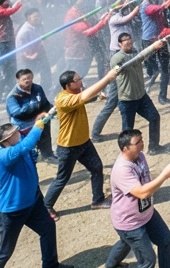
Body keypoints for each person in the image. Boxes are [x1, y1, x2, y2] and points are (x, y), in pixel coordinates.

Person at [0, 114, 71, 268]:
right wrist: (38, 126)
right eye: (15, 132)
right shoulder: (3, 154)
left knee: (47, 228)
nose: (19, 133)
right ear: (6, 140)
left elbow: (27, 145)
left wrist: (39, 121)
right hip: (11, 210)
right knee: (5, 249)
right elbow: (27, 145)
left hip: (33, 201)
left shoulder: (19, 144)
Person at [102, 128, 170, 268]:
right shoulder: (122, 169)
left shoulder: (139, 156)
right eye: (137, 143)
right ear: (125, 148)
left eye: (142, 140)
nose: (142, 145)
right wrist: (164, 175)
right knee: (147, 259)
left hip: (146, 213)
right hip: (129, 222)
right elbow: (142, 192)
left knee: (165, 239)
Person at [44, 65, 121, 212]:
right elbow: (82, 97)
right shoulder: (64, 99)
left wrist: (96, 97)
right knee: (62, 179)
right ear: (69, 85)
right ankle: (46, 206)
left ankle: (97, 200)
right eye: (77, 80)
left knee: (97, 168)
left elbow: (84, 98)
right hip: (68, 147)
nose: (81, 81)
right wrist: (108, 77)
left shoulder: (75, 94)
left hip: (84, 143)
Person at [6, 69, 55, 161]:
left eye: (29, 78)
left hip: (38, 119)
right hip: (22, 124)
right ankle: (29, 158)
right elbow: (17, 113)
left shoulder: (37, 88)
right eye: (24, 79)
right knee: (27, 145)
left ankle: (47, 155)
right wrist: (34, 106)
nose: (27, 81)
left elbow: (45, 103)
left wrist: (50, 111)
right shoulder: (12, 96)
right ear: (18, 80)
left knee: (45, 133)